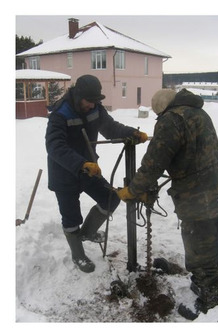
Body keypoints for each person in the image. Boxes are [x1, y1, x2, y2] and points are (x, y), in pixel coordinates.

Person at [116, 88, 218, 319]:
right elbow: (187, 153)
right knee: (215, 241)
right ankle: (205, 283)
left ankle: (208, 298)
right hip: (217, 186)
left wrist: (134, 190)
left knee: (200, 249)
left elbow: (154, 161)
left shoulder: (171, 121)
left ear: (162, 110)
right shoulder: (197, 112)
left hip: (198, 196)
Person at [45, 74, 148, 273]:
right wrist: (81, 163)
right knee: (71, 217)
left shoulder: (95, 107)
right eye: (89, 101)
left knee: (110, 199)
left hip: (89, 170)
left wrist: (130, 133)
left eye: (95, 101)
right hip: (64, 173)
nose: (92, 106)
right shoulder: (61, 113)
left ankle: (88, 233)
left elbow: (109, 127)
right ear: (78, 96)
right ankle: (78, 254)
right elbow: (54, 146)